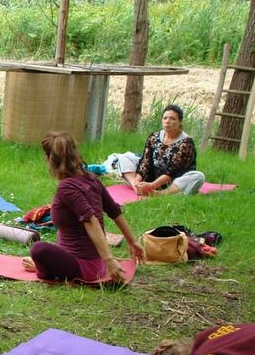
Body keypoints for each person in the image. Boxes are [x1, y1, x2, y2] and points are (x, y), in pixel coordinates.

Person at [21, 132, 145, 284]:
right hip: (93, 262)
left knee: (38, 249)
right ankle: (51, 265)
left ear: (49, 159)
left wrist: (109, 260)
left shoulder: (67, 187)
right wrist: (132, 242)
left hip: (84, 268)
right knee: (51, 244)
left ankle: (44, 270)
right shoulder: (91, 178)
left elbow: (91, 220)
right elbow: (114, 211)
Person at [118, 104, 205, 195]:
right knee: (123, 158)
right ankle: (136, 187)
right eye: (165, 118)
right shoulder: (154, 137)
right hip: (152, 174)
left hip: (173, 180)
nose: (167, 121)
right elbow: (145, 162)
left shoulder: (186, 143)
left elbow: (172, 171)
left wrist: (151, 186)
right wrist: (137, 182)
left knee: (198, 176)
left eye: (172, 119)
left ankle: (160, 193)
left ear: (180, 121)